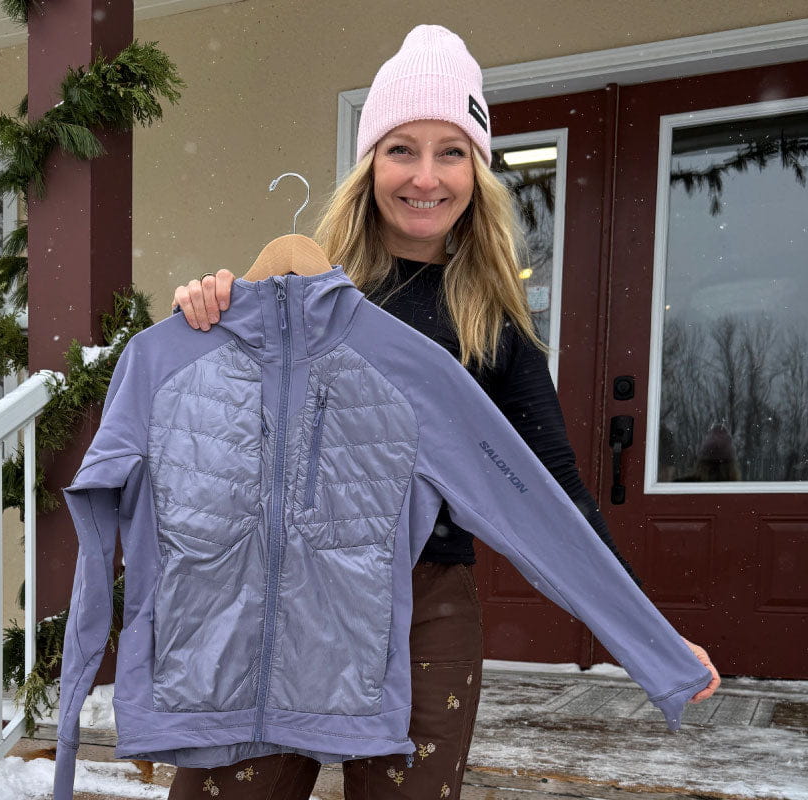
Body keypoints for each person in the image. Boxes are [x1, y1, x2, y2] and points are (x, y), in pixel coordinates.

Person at [165, 25, 720, 800]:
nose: (425, 176)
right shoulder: (295, 297)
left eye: (451, 151)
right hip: (278, 597)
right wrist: (204, 319)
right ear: (370, 164)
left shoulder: (492, 325)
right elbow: (214, 444)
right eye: (402, 149)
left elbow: (557, 494)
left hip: (425, 607)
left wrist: (648, 630)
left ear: (476, 171)